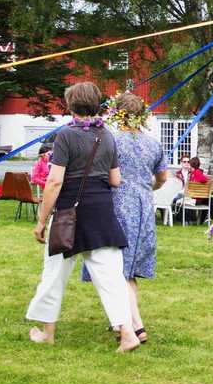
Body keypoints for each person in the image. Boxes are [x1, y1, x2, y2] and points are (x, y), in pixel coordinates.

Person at [26, 81, 137, 352]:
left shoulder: (65, 135)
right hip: (101, 211)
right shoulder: (108, 135)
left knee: (54, 273)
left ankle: (47, 333)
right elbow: (116, 180)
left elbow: (54, 182)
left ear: (70, 104)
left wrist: (41, 221)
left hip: (70, 213)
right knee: (111, 276)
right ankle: (127, 334)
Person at [81, 91, 165, 347]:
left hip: (115, 205)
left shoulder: (110, 140)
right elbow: (162, 178)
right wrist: (145, 187)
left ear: (117, 113)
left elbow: (99, 172)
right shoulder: (153, 144)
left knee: (117, 269)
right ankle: (122, 321)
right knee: (128, 271)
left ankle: (133, 325)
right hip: (144, 209)